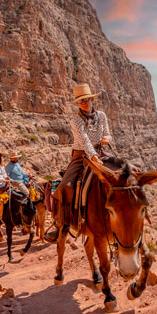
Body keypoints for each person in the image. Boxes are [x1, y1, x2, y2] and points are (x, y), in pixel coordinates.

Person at [46, 83, 112, 242]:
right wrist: (93, 156)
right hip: (81, 156)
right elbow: (84, 141)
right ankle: (60, 223)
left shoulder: (101, 115)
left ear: (91, 100)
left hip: (100, 153)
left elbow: (108, 133)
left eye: (87, 99)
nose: (84, 103)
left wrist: (107, 139)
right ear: (77, 103)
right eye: (81, 101)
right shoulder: (76, 119)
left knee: (121, 175)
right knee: (64, 188)